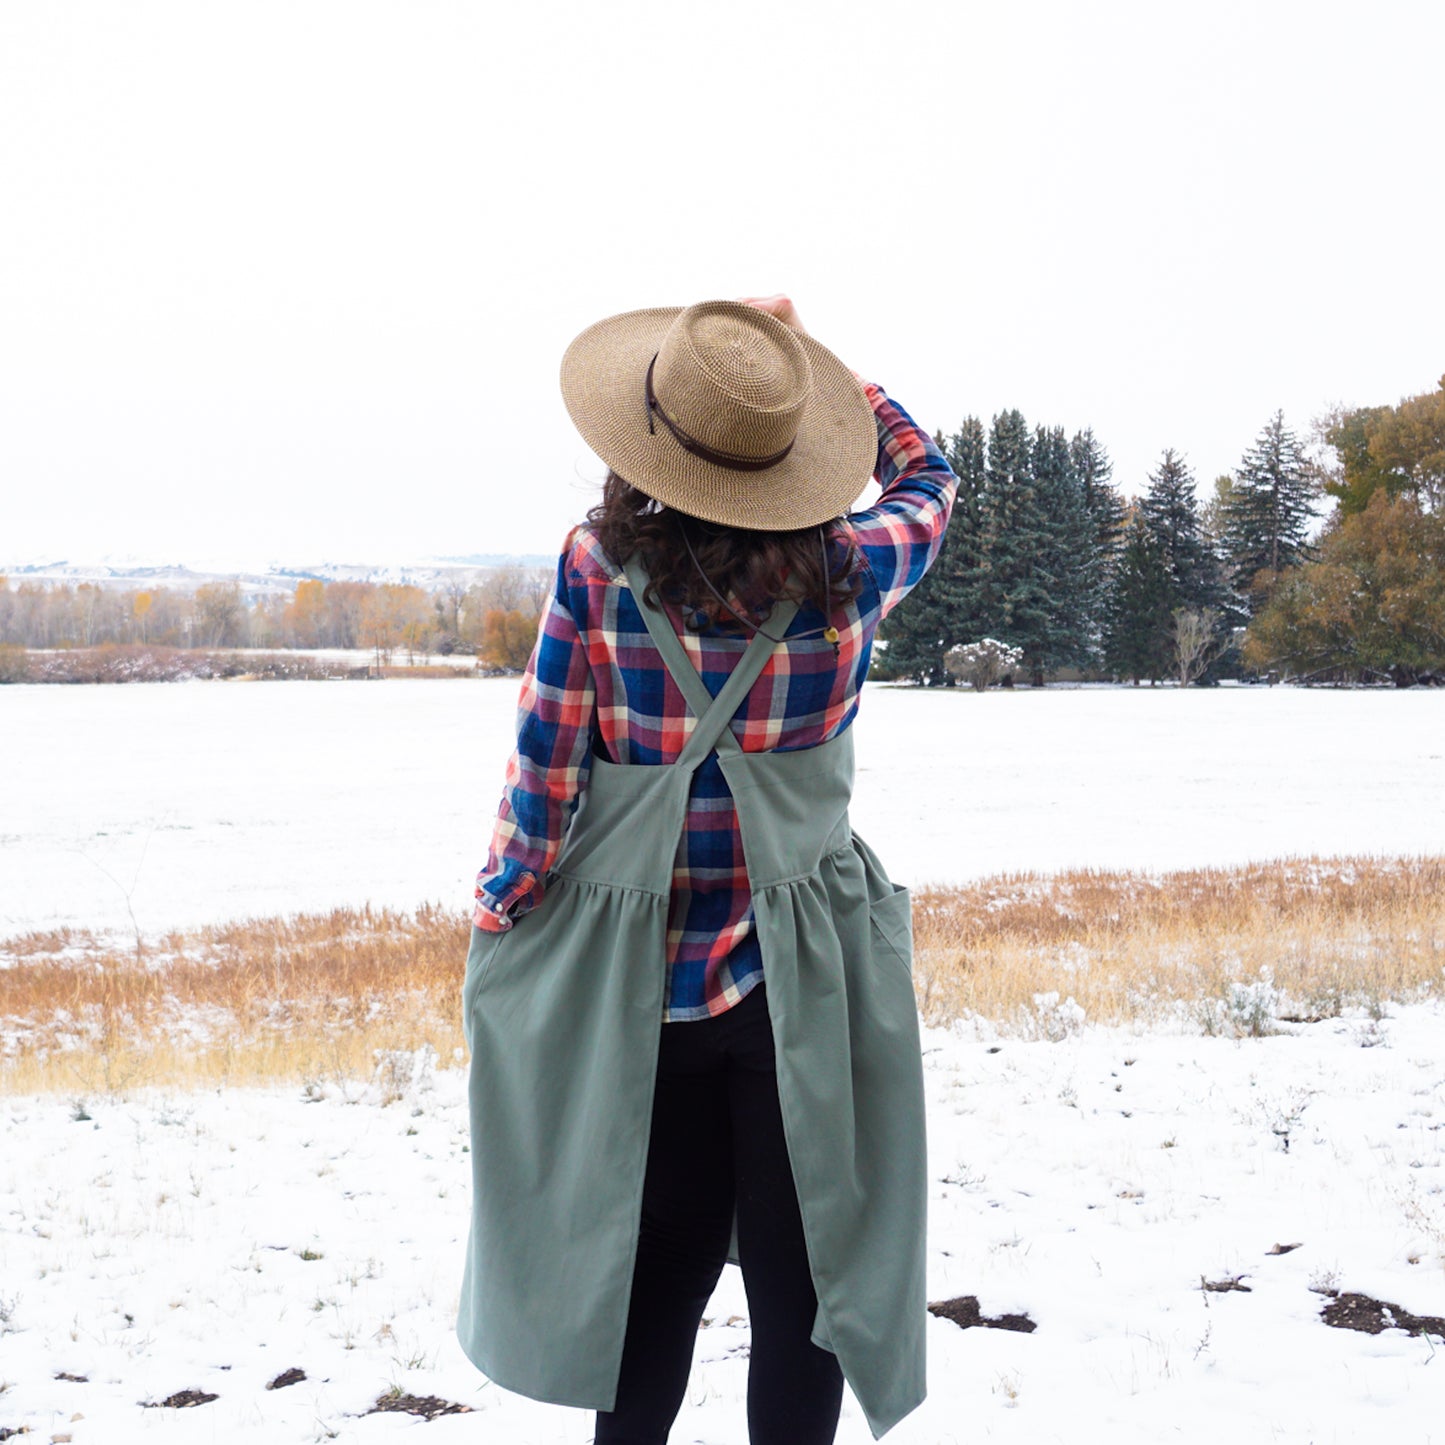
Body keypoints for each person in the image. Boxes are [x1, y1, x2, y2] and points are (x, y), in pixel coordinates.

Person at [457, 295, 958, 1443]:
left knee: (650, 1291)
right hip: (807, 986)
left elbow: (546, 767)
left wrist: (504, 899)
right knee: (803, 1296)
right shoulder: (850, 568)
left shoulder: (596, 565)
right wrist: (832, 380)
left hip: (650, 986)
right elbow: (927, 482)